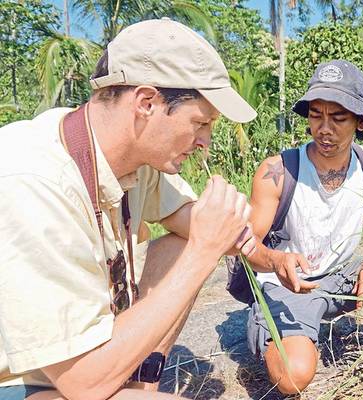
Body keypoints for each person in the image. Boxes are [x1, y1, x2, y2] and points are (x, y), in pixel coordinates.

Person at [0, 19, 306, 400]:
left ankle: (141, 379)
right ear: (146, 103)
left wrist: (267, 255)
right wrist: (204, 251)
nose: (205, 143)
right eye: (200, 123)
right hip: (29, 378)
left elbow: (204, 226)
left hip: (79, 372)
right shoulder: (33, 180)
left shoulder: (133, 157)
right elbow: (82, 384)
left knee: (184, 243)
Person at [242, 60, 363, 395]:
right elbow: (244, 244)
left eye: (338, 117)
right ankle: (266, 326)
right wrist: (277, 261)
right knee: (294, 377)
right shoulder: (278, 171)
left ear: (360, 122)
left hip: (342, 276)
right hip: (291, 284)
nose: (325, 128)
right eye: (316, 115)